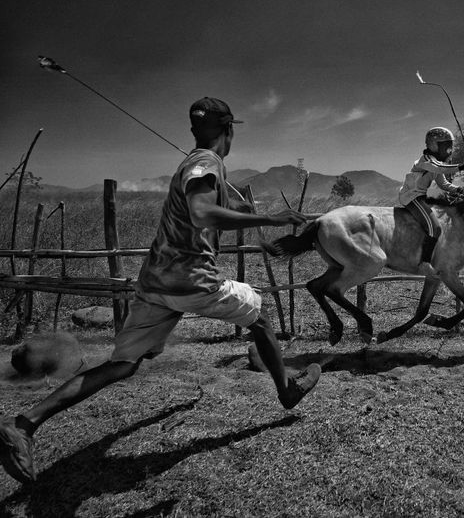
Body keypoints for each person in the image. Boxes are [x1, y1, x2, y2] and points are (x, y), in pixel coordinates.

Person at [0, 97, 321, 484]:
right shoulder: (206, 163)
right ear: (229, 130)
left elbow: (197, 211)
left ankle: (24, 423)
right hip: (191, 278)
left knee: (122, 364)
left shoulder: (194, 164)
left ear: (193, 130)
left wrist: (233, 209)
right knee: (260, 316)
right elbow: (201, 212)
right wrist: (271, 217)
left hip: (156, 281)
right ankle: (286, 391)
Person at [397, 126, 464, 276]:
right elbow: (439, 168)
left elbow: (443, 184)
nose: (449, 150)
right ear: (433, 145)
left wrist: (460, 190)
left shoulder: (437, 164)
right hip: (411, 197)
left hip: (420, 196)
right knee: (435, 228)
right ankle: (424, 263)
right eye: (446, 146)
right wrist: (462, 166)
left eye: (450, 145)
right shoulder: (425, 161)